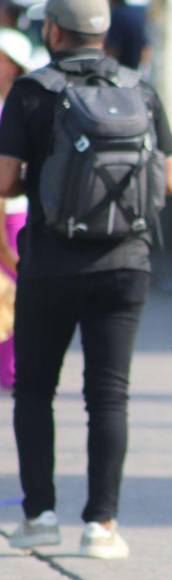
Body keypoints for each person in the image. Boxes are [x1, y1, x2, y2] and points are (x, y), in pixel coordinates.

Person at [0, 0, 172, 558]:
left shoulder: (32, 91)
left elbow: (4, 181)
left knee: (35, 389)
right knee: (108, 396)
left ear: (54, 31)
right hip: (125, 263)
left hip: (51, 262)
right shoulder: (140, 89)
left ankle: (40, 515)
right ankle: (102, 525)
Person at [0, 27, 31, 392]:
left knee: (11, 290)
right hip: (9, 210)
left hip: (12, 213)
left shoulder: (16, 107)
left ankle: (10, 368)